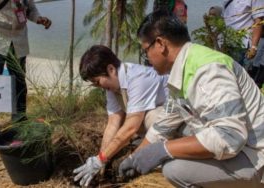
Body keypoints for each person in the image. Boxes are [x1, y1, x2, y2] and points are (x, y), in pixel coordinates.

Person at [119, 10, 264, 188]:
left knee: (174, 169)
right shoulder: (182, 70)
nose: (146, 58)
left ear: (160, 44)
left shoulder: (208, 70)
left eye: (146, 51)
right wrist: (135, 158)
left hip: (255, 157)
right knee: (168, 125)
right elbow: (163, 126)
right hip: (241, 149)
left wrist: (164, 150)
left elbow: (230, 137)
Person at [73, 45, 170, 187]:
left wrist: (100, 159)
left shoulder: (138, 79)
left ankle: (164, 159)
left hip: (180, 121)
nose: (98, 86)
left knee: (152, 117)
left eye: (97, 82)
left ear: (111, 69)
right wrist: (101, 162)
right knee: (135, 120)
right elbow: (113, 123)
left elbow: (131, 127)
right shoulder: (112, 86)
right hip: (154, 124)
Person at [0, 0, 52, 146]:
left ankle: (19, 124)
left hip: (18, 40)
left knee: (19, 83)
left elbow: (30, 8)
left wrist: (38, 18)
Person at [223, 0, 264, 67]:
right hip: (227, 43)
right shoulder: (226, 1)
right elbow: (226, 21)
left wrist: (254, 47)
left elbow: (258, 21)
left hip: (242, 45)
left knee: (237, 73)